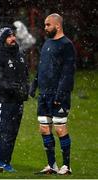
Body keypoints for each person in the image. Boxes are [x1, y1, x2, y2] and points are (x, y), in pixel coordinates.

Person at [29, 13, 76, 175]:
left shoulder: (66, 45)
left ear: (58, 25)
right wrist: (34, 84)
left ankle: (67, 166)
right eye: (45, 24)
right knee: (44, 128)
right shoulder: (47, 44)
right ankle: (51, 165)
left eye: (48, 24)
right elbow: (42, 67)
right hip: (44, 95)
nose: (45, 27)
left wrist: (60, 94)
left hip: (57, 95)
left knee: (60, 129)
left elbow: (68, 73)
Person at [0, 27, 29, 173]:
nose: (13, 38)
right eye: (8, 36)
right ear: (2, 39)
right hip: (4, 100)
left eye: (13, 35)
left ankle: (6, 162)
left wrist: (26, 88)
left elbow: (25, 74)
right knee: (3, 131)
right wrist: (10, 87)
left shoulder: (20, 54)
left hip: (17, 100)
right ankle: (1, 162)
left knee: (12, 132)